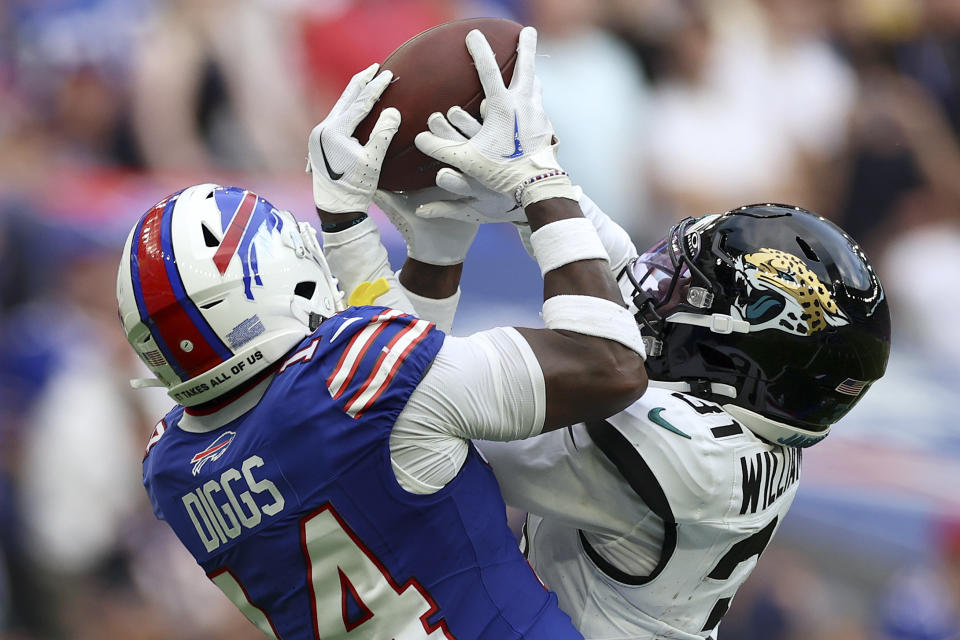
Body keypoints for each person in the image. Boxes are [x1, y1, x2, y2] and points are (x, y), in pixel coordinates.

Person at [117, 27, 648, 639]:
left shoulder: (176, 471)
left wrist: (427, 252)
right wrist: (540, 181)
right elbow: (610, 365)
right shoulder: (358, 381)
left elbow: (396, 424)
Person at [385, 109, 891, 638]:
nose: (656, 291)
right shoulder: (750, 424)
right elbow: (618, 276)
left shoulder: (692, 455)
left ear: (742, 344)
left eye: (687, 291)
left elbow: (420, 396)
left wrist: (408, 248)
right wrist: (531, 183)